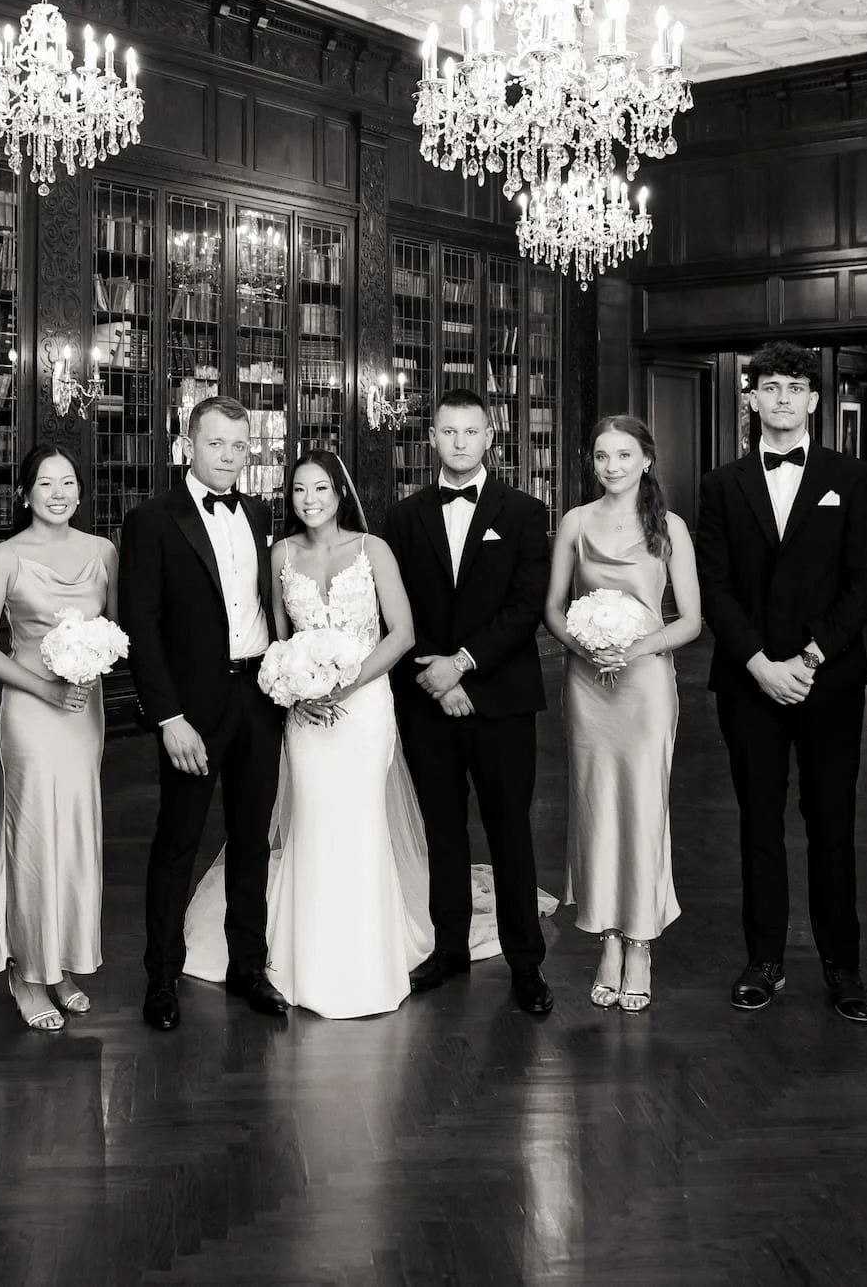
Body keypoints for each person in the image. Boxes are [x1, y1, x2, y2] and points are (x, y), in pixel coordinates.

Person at [182, 449, 432, 1017]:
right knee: (312, 823)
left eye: (320, 489)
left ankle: (366, 959)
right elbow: (275, 636)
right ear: (289, 498)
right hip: (305, 716)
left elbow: (403, 634)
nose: (310, 500)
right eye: (299, 491)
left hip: (363, 708)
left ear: (339, 493)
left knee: (360, 822)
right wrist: (295, 689)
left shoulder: (373, 551)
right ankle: (302, 957)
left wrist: (344, 686)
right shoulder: (279, 554)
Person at [694, 341, 867, 1023]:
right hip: (749, 681)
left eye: (792, 387)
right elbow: (712, 586)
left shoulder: (851, 476)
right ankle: (764, 959)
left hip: (827, 681)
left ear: (812, 399)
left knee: (832, 823)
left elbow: (866, 581)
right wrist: (758, 663)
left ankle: (843, 966)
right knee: (757, 824)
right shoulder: (720, 484)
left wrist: (808, 658)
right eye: (767, 386)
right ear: (750, 398)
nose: (780, 397)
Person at [383, 388, 557, 1017]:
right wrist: (437, 673)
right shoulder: (401, 519)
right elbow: (393, 608)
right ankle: (449, 947)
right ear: (432, 438)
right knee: (443, 830)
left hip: (501, 699)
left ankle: (526, 963)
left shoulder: (525, 512)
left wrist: (461, 667)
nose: (459, 442)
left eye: (471, 432)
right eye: (448, 432)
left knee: (510, 831)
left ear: (490, 438)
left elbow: (524, 608)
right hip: (426, 698)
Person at [122, 395, 290, 1031]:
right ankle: (160, 977)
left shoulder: (260, 512)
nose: (229, 457)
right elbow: (142, 622)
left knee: (252, 840)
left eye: (240, 447)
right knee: (177, 841)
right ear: (188, 445)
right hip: (192, 708)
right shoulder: (152, 518)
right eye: (216, 444)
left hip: (258, 697)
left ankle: (249, 966)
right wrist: (167, 717)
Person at [546, 416, 702, 1012]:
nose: (611, 466)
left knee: (642, 805)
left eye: (623, 455)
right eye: (601, 455)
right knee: (593, 804)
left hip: (643, 684)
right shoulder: (575, 523)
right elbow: (553, 609)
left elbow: (689, 619)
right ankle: (606, 936)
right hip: (587, 684)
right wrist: (586, 647)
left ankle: (640, 940)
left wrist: (631, 648)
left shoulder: (670, 528)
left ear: (646, 460)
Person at [0, 443, 118, 1033]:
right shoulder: (5, 556)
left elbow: (117, 628)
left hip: (85, 711)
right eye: (46, 483)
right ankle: (27, 971)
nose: (59, 493)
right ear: (25, 493)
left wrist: (93, 662)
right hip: (31, 708)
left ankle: (63, 963)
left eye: (69, 483)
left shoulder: (104, 551)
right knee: (32, 832)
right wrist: (45, 688)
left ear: (80, 492)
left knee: (77, 830)